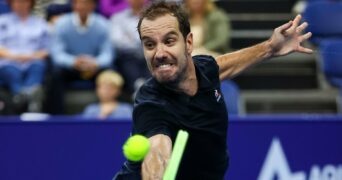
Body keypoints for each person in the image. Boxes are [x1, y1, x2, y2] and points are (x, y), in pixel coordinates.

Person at [114, 1, 312, 179]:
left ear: (189, 43)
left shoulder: (204, 68)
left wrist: (270, 48)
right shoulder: (151, 103)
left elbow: (224, 65)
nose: (159, 53)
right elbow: (157, 151)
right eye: (149, 45)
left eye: (169, 41)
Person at [47, 0, 114, 114]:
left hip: (94, 68)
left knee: (110, 73)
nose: (82, 6)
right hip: (71, 68)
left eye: (86, 3)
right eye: (79, 3)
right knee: (55, 73)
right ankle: (57, 115)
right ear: (74, 5)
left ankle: (106, 114)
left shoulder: (103, 24)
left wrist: (95, 62)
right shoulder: (61, 24)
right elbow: (57, 54)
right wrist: (73, 61)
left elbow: (108, 54)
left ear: (93, 6)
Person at [0, 0, 50, 112]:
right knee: (11, 71)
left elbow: (47, 49)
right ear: (11, 3)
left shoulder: (40, 23)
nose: (20, 4)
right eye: (17, 2)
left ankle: (26, 98)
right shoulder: (2, 21)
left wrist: (31, 56)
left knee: (38, 66)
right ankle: (26, 98)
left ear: (30, 3)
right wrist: (16, 57)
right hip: (8, 61)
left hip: (33, 60)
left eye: (24, 1)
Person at [110, 0, 150, 100]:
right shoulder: (118, 18)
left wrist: (131, 38)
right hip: (128, 56)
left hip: (148, 53)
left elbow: (154, 37)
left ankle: (144, 91)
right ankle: (139, 90)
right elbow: (117, 41)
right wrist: (141, 40)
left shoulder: (153, 16)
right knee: (127, 60)